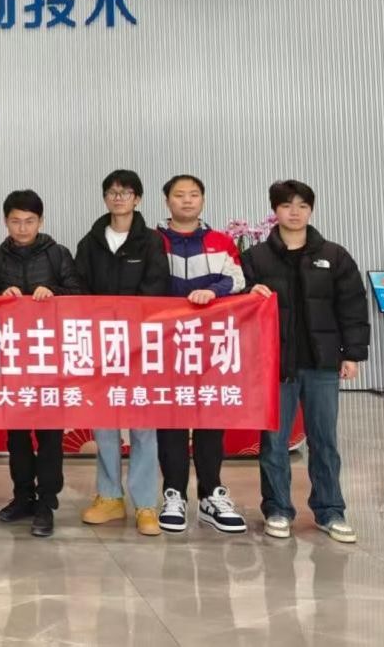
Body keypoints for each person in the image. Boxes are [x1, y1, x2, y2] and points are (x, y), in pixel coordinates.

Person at [243, 179, 369, 543]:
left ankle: (331, 511)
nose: (294, 212)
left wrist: (353, 353)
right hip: (275, 365)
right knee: (274, 442)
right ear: (275, 211)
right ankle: (277, 509)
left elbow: (352, 305)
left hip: (322, 364)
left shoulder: (334, 255)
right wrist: (249, 291)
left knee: (324, 441)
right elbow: (239, 302)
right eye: (286, 205)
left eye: (302, 205)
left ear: (311, 210)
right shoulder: (256, 258)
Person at [0, 189, 83, 538]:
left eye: (29, 221)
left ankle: (46, 502)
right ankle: (23, 496)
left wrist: (54, 293)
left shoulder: (58, 254)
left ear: (41, 221)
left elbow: (80, 295)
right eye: (15, 221)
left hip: (50, 358)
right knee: (18, 435)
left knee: (50, 435)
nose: (22, 228)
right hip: (10, 359)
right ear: (5, 222)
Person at [75, 170, 170, 537]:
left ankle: (145, 503)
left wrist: (129, 324)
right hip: (101, 345)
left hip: (140, 346)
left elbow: (156, 287)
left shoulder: (151, 242)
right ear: (105, 198)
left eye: (126, 192)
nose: (119, 198)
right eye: (113, 192)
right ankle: (110, 497)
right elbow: (79, 290)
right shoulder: (90, 243)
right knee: (105, 424)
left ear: (138, 199)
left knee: (143, 426)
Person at [155, 175, 248, 533]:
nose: (187, 201)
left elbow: (237, 279)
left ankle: (211, 495)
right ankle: (174, 494)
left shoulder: (221, 242)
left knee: (210, 418)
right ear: (167, 201)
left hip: (210, 346)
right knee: (172, 421)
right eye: (179, 195)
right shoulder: (154, 241)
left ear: (203, 200)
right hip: (166, 346)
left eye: (194, 195)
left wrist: (213, 292)